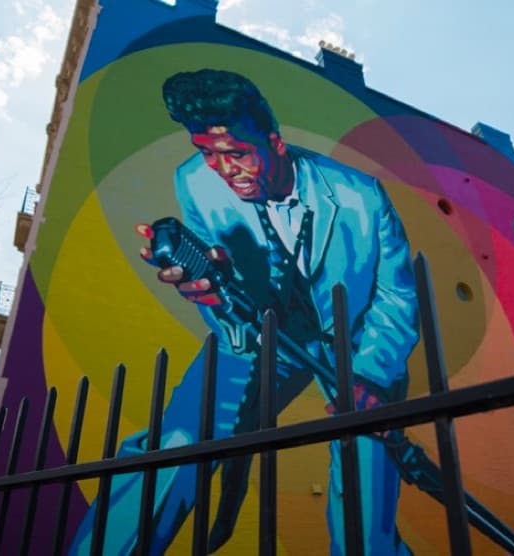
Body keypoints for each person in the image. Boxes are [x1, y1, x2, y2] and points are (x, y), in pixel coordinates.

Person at [69, 69, 419, 555]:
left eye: (235, 153)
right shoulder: (193, 182)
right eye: (207, 152)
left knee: (364, 488)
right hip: (260, 334)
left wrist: (372, 376)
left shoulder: (362, 197)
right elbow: (226, 296)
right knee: (177, 442)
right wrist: (215, 300)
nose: (222, 169)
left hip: (354, 342)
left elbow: (396, 296)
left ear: (275, 144)